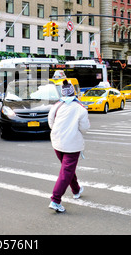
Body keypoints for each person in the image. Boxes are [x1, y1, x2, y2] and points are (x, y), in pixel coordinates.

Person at [47, 81, 90, 213]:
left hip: (57, 142)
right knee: (66, 172)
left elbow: (50, 122)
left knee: (67, 170)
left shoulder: (56, 106)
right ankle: (55, 200)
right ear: (74, 93)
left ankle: (76, 190)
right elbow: (84, 128)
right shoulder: (80, 109)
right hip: (72, 145)